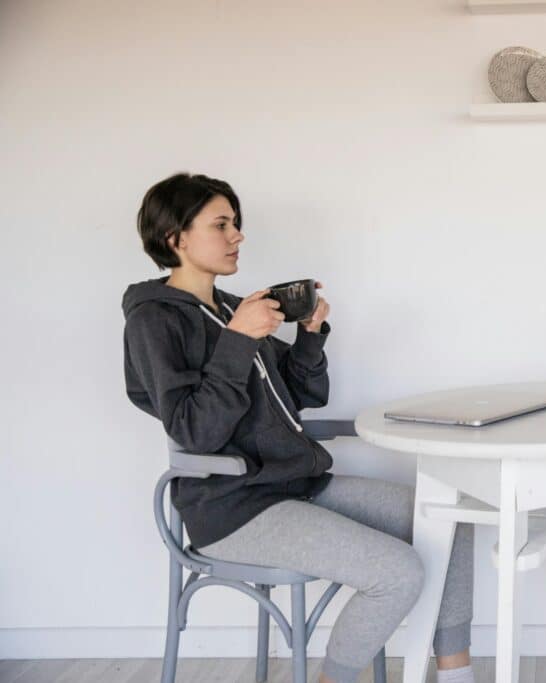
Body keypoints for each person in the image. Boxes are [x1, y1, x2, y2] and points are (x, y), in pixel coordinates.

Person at [123, 173, 475, 683]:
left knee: (452, 521)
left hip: (297, 484)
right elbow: (194, 429)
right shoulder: (154, 320)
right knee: (398, 572)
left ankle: (455, 673)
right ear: (176, 238)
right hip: (233, 507)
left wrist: (309, 335)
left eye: (236, 224)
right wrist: (240, 339)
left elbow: (302, 394)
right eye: (220, 224)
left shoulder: (229, 308)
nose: (237, 235)